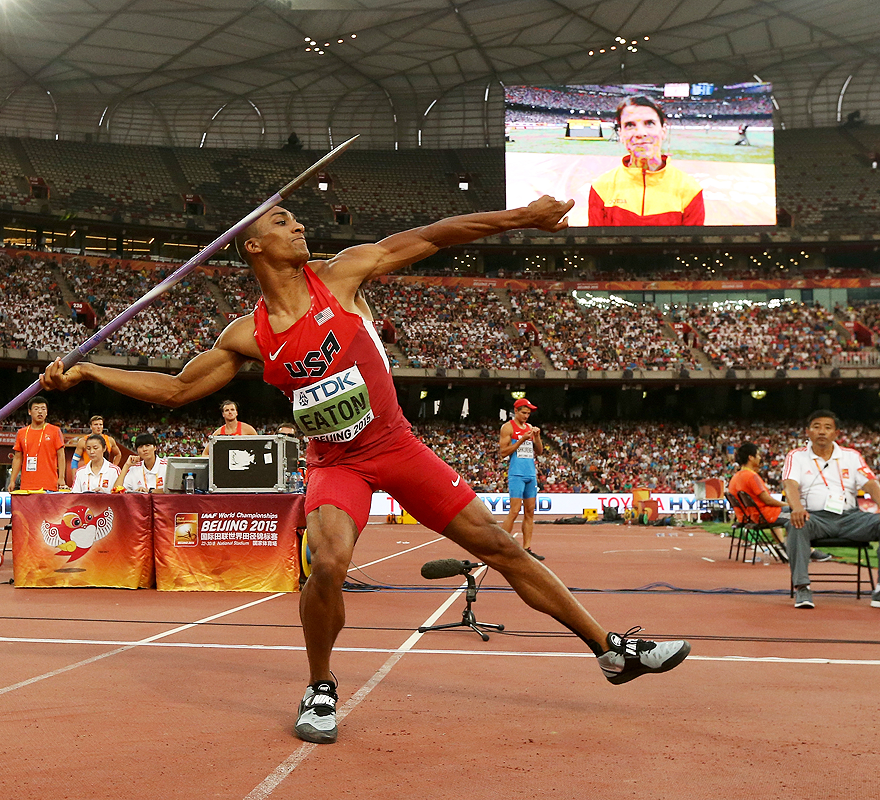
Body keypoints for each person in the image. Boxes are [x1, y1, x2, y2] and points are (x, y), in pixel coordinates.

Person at [42, 195, 692, 744]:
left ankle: (610, 650)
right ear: (254, 249)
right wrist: (89, 369)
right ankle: (320, 686)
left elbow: (435, 236)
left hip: (397, 448)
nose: (298, 227)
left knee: (500, 545)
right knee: (327, 562)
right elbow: (177, 391)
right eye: (282, 222)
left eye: (297, 221)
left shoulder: (342, 275)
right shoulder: (249, 334)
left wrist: (523, 215)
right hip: (335, 464)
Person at [781, 410, 880, 610]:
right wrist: (797, 507)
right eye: (816, 426)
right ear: (807, 431)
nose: (822, 432)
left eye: (828, 427)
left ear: (836, 433)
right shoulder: (796, 456)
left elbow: (870, 484)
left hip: (851, 518)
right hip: (815, 518)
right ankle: (802, 587)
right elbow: (789, 484)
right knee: (796, 523)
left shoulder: (851, 456)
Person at [588, 95, 705, 226]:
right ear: (621, 134)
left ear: (663, 131)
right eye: (630, 125)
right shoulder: (601, 188)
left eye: (649, 123)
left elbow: (692, 246)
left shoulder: (690, 190)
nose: (640, 133)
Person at [499, 397, 544, 560]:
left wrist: (537, 437)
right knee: (514, 510)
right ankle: (501, 546)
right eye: (524, 413)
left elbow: (539, 452)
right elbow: (504, 452)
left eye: (528, 413)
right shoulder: (507, 427)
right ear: (516, 411)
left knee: (530, 512)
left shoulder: (530, 427)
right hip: (516, 473)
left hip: (530, 473)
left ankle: (527, 548)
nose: (526, 416)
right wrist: (521, 440)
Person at [10, 396, 66, 492]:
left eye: (43, 409)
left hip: (49, 485)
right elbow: (17, 458)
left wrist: (61, 477)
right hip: (27, 486)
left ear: (47, 412)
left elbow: (61, 455)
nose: (40, 412)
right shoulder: (21, 432)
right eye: (36, 409)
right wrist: (12, 480)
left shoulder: (55, 431)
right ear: (29, 412)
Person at [68, 415, 121, 486]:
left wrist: (112, 467)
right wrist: (75, 477)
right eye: (96, 424)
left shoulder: (109, 440)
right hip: (88, 474)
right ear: (91, 426)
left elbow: (118, 454)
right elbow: (74, 461)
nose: (98, 427)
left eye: (100, 424)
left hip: (105, 475)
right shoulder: (83, 441)